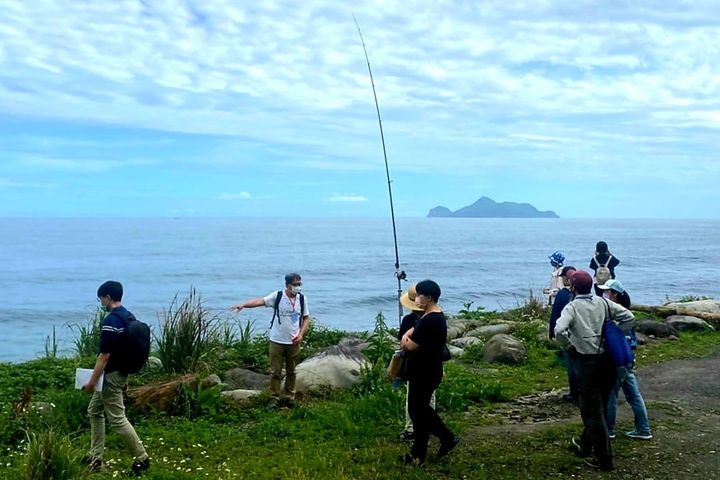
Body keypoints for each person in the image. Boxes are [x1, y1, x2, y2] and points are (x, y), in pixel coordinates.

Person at [554, 270, 634, 471]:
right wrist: (616, 333)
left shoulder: (572, 307)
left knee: (592, 411)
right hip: (608, 361)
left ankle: (605, 459)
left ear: (572, 287)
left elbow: (559, 330)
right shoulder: (603, 303)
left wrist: (569, 346)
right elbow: (629, 317)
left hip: (587, 362)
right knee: (601, 406)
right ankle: (584, 445)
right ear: (591, 286)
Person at [83, 281, 150, 476]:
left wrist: (92, 382)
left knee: (118, 419)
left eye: (101, 298)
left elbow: (104, 356)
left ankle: (142, 458)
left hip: (110, 377)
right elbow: (127, 349)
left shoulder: (111, 322)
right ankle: (95, 458)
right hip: (120, 374)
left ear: (108, 297)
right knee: (94, 411)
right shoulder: (129, 317)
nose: (101, 302)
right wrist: (126, 377)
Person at [400, 280, 459, 465]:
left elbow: (410, 345)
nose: (416, 298)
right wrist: (410, 333)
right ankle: (419, 452)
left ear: (429, 298)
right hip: (425, 369)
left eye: (419, 295)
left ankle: (445, 438)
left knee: (420, 410)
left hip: (425, 371)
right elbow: (414, 331)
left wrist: (405, 338)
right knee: (419, 411)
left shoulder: (432, 319)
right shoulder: (431, 316)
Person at [231, 273, 310, 404]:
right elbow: (260, 301)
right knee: (276, 371)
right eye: (295, 285)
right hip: (277, 341)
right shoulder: (278, 296)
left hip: (294, 341)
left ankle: (290, 396)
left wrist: (301, 334)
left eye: (299, 284)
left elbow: (306, 318)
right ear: (288, 285)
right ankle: (274, 397)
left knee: (292, 371)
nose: (298, 287)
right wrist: (244, 305)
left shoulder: (302, 299)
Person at [597, 279, 653, 441]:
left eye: (607, 291)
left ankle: (609, 430)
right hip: (628, 359)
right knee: (634, 395)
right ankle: (643, 428)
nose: (603, 294)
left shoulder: (617, 315)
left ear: (615, 294)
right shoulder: (623, 312)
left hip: (617, 361)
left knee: (611, 395)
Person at [397, 284, 436, 442]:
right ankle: (429, 427)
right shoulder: (434, 318)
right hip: (432, 364)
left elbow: (404, 343)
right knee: (429, 398)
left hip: (415, 365)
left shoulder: (409, 320)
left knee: (413, 400)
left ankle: (412, 429)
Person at [548, 265, 579, 404]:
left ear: (567, 278)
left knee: (572, 366)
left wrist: (552, 332)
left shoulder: (562, 294)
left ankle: (574, 394)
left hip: (567, 333)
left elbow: (555, 314)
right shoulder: (581, 293)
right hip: (582, 334)